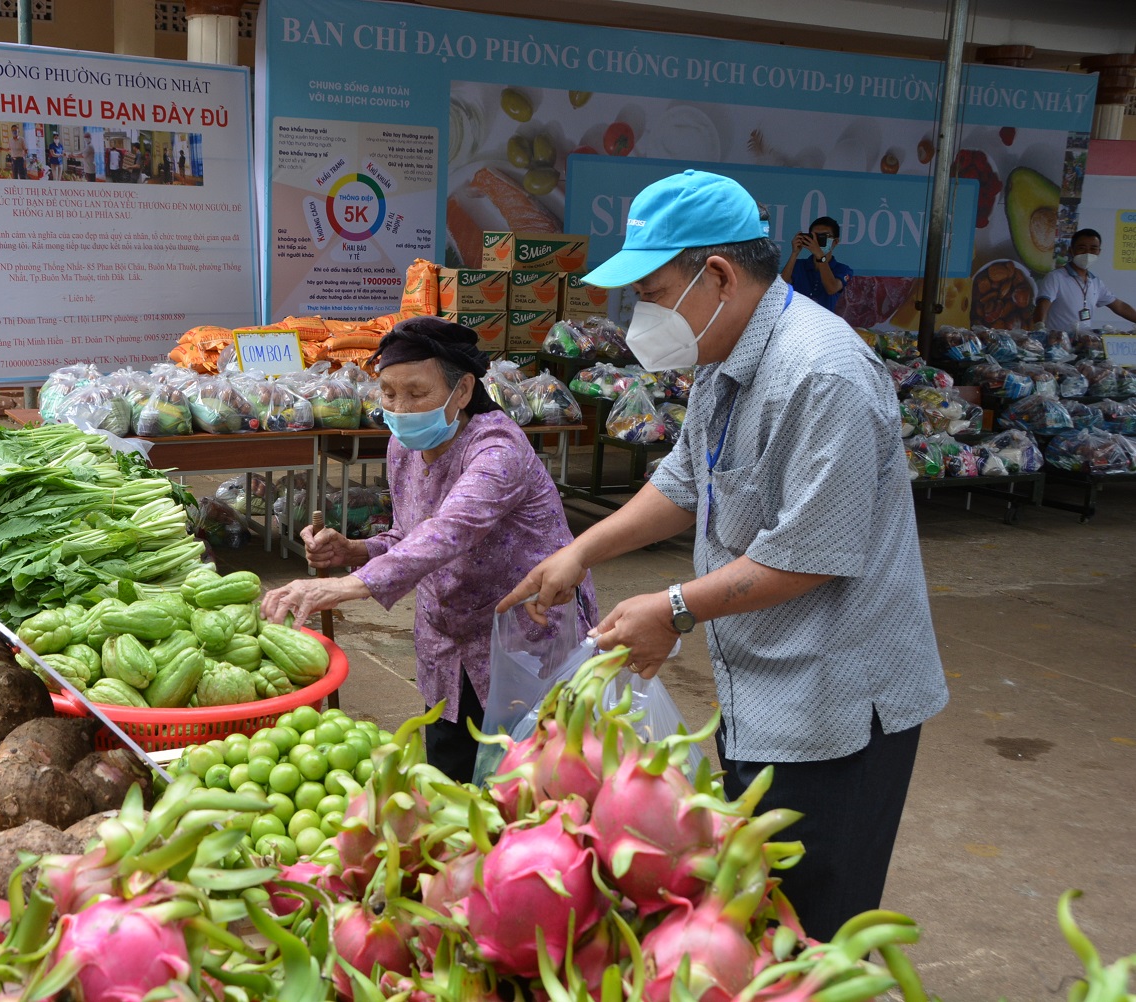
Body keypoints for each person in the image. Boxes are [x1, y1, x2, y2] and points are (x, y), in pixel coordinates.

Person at [501, 170, 948, 940]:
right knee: (751, 911)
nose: (640, 312)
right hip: (767, 690)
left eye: (649, 289)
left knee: (810, 931)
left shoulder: (822, 373)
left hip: (840, 706)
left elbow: (813, 552)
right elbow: (685, 483)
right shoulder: (725, 352)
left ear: (715, 275)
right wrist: (581, 550)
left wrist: (673, 609)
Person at [261, 317, 597, 782]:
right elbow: (408, 534)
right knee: (449, 777)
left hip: (522, 638)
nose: (399, 408)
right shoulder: (403, 446)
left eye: (416, 394)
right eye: (387, 393)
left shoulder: (498, 449)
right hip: (446, 646)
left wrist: (346, 588)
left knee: (529, 783)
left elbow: (450, 530)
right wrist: (355, 551)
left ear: (462, 391)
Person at [1033, 228, 1136, 332]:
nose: (1087, 253)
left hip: (1084, 342)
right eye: (1081, 248)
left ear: (1099, 252)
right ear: (1071, 250)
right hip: (1058, 341)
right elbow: (1043, 302)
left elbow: (1119, 306)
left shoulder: (1096, 282)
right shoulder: (1056, 277)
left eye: (1093, 248)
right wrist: (1040, 326)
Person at [781, 215, 852, 313]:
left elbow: (831, 288)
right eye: (814, 237)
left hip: (825, 324)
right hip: (798, 321)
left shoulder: (843, 269)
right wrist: (794, 253)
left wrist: (820, 255)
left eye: (823, 237)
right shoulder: (799, 265)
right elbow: (781, 286)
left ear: (835, 242)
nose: (817, 241)